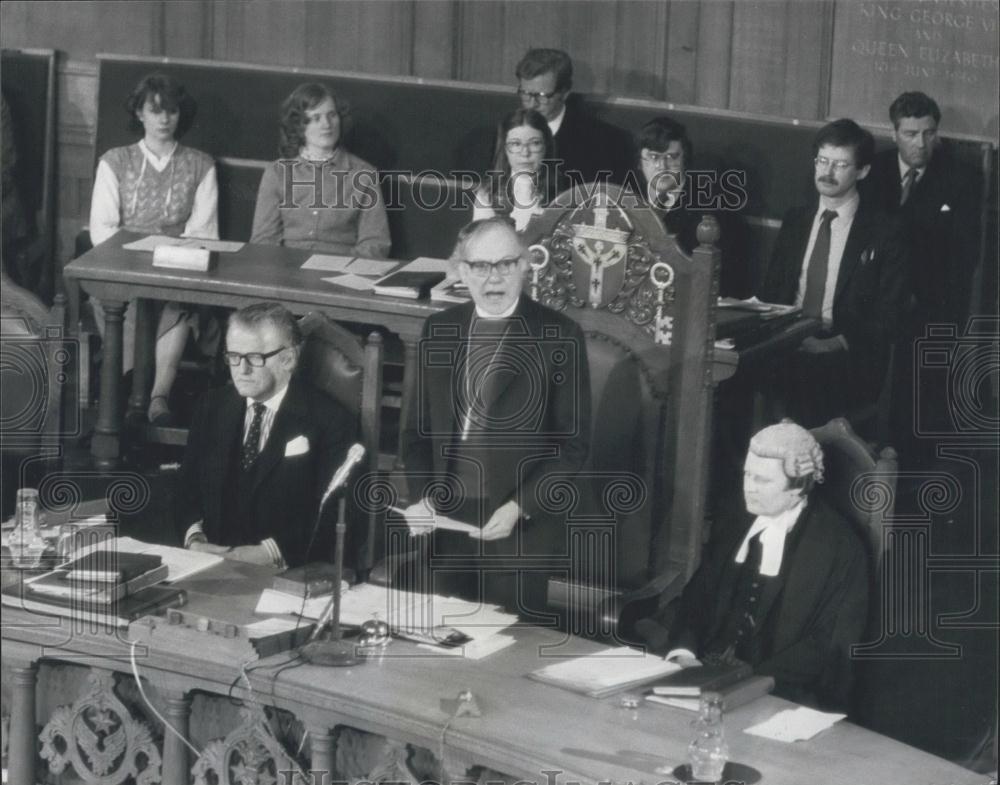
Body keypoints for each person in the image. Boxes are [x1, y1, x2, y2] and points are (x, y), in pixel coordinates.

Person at [400, 217, 590, 616]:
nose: (494, 278)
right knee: (435, 649)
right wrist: (420, 498)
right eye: (481, 267)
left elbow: (571, 448)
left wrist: (519, 506)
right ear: (462, 272)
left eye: (506, 264)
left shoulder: (558, 335)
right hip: (444, 524)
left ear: (525, 265)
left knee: (502, 653)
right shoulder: (439, 329)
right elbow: (416, 435)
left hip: (517, 529)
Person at [634, 421, 870, 712]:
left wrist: (747, 684)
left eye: (763, 481)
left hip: (777, 692)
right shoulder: (737, 520)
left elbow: (827, 646)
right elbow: (697, 598)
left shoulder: (839, 548)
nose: (749, 488)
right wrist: (684, 653)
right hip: (700, 675)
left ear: (798, 487)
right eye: (747, 475)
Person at [177, 302, 356, 569]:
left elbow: (331, 514)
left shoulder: (330, 420)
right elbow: (185, 489)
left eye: (255, 358)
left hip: (287, 572)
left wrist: (268, 553)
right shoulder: (211, 407)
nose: (241, 369)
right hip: (208, 563)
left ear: (288, 359)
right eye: (234, 356)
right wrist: (195, 540)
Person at [88, 73, 220, 424]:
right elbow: (102, 229)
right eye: (155, 110)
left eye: (172, 111)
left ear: (180, 115)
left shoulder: (200, 164)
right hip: (123, 267)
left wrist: (171, 258)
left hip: (175, 269)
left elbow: (203, 232)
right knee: (123, 302)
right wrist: (137, 257)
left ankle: (158, 396)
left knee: (178, 304)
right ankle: (137, 388)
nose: (164, 119)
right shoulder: (115, 161)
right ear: (140, 114)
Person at [759, 119, 908, 426]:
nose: (826, 173)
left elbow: (888, 315)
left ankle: (804, 463)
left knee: (809, 383)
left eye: (840, 165)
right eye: (822, 161)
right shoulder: (796, 220)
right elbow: (771, 293)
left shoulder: (884, 231)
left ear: (862, 171)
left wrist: (833, 342)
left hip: (844, 349)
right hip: (787, 340)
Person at [862, 91, 979, 327]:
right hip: (874, 299)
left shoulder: (963, 179)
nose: (921, 144)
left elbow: (963, 256)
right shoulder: (872, 170)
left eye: (929, 133)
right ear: (893, 134)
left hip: (932, 306)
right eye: (910, 134)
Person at [251, 82, 390, 259]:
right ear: (300, 126)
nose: (327, 125)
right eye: (316, 118)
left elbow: (375, 244)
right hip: (286, 272)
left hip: (340, 274)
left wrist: (343, 271)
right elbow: (263, 240)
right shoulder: (276, 173)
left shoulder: (364, 174)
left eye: (332, 115)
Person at [633, 116, 752, 298]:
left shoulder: (712, 211)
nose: (662, 166)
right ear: (640, 163)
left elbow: (721, 284)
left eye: (671, 157)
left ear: (685, 160)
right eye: (653, 157)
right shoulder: (629, 206)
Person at [515, 48, 630, 186]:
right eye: (525, 94)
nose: (532, 104)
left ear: (564, 93)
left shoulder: (607, 143)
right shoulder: (506, 132)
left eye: (542, 96)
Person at [472, 108, 560, 231]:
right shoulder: (489, 193)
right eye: (516, 144)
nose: (525, 153)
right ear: (504, 149)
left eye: (534, 143)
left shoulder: (566, 189)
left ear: (546, 146)